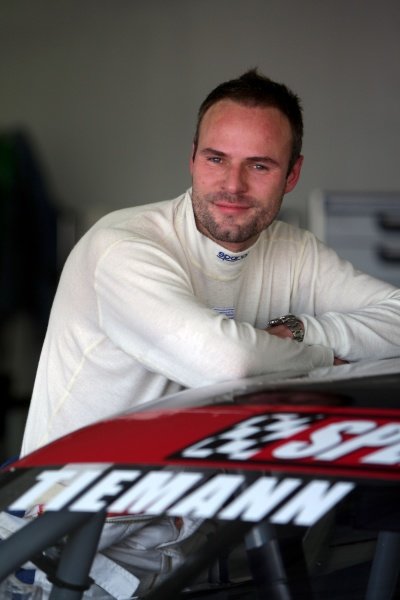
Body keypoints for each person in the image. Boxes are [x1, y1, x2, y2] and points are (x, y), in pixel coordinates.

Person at [17, 69, 400, 595]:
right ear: (192, 157)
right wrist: (322, 354)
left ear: (292, 175)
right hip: (77, 542)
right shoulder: (123, 247)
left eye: (259, 165)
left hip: (199, 530)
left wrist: (299, 330)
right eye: (216, 159)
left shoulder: (294, 250)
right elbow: (228, 363)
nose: (233, 186)